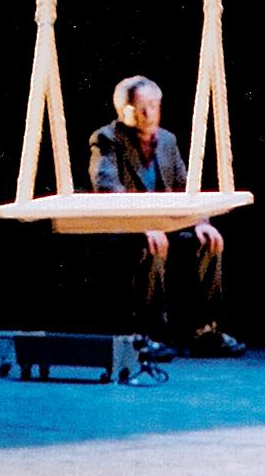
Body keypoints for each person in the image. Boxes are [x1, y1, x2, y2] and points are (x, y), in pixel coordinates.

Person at [89, 75, 245, 358]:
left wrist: (201, 221)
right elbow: (107, 188)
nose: (149, 113)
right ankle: (147, 335)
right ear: (123, 111)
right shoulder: (106, 140)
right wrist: (143, 225)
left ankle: (203, 330)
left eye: (154, 105)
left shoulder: (168, 141)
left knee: (209, 240)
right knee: (151, 243)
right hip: (125, 227)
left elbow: (186, 187)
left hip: (163, 226)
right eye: (141, 107)